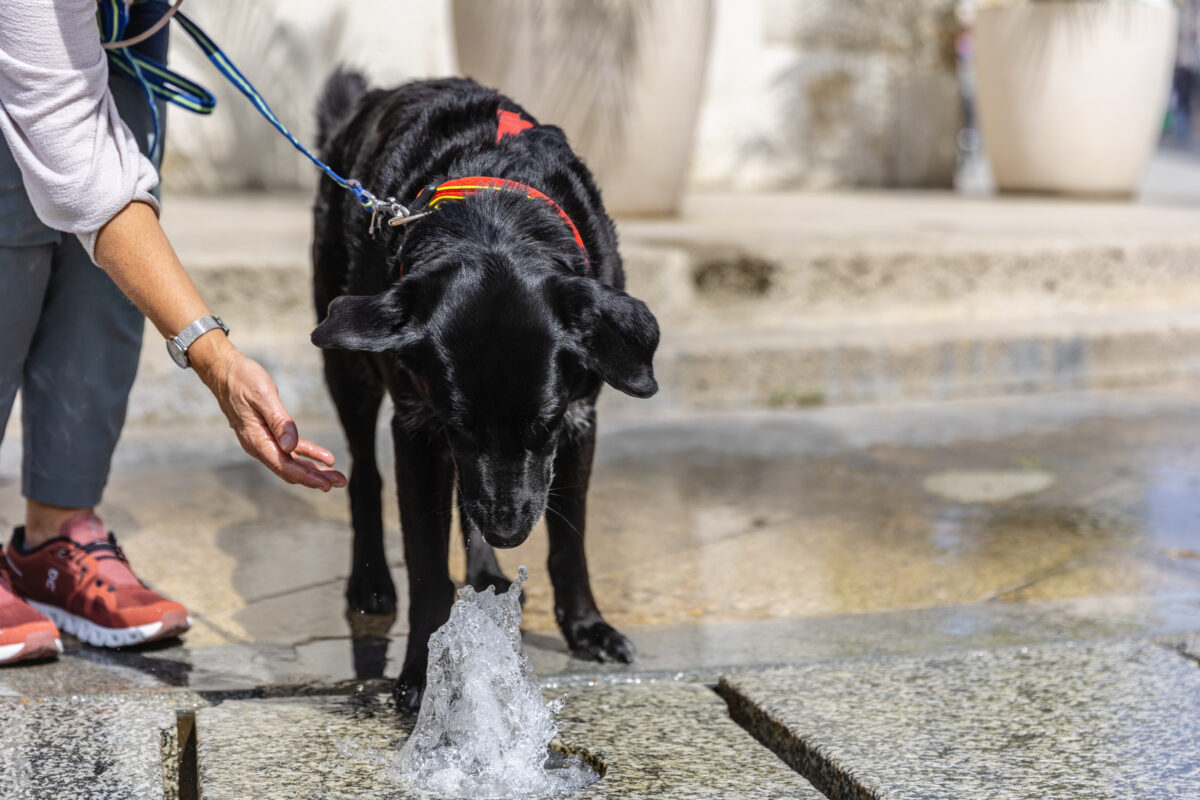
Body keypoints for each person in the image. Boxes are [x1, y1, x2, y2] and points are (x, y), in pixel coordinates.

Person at [0, 0, 345, 665]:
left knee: (124, 239)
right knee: (20, 214)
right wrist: (216, 358)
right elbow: (81, 176)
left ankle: (54, 543)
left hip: (120, 20)